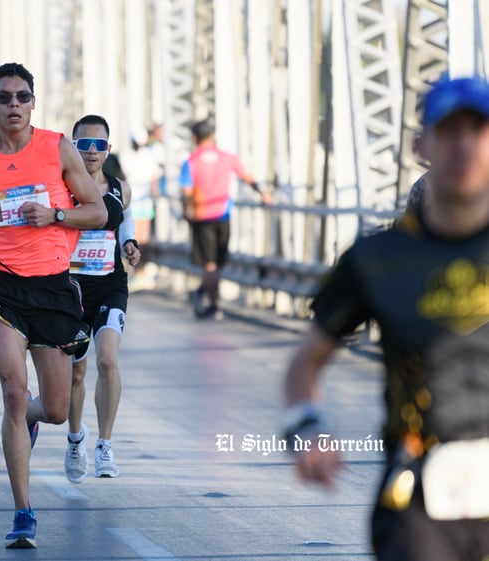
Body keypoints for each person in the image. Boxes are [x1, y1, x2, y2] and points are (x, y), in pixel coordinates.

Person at [281, 75, 489, 561]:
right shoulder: (377, 260)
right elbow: (305, 363)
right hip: (420, 495)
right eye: (449, 131)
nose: (464, 146)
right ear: (422, 145)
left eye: (478, 130)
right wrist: (305, 426)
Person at [0, 62, 106, 549]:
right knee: (13, 391)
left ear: (33, 103)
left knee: (57, 409)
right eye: (4, 97)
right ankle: (24, 512)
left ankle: (34, 421)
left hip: (54, 288)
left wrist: (55, 214)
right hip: (2, 287)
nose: (13, 105)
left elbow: (98, 211)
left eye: (22, 97)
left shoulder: (58, 146)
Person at [63, 115, 140, 484]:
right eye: (84, 145)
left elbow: (126, 221)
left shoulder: (120, 188)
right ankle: (76, 438)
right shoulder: (60, 189)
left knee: (107, 360)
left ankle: (105, 444)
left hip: (110, 284)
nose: (92, 152)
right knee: (77, 370)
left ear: (108, 149)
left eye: (99, 145)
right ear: (72, 146)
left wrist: (130, 244)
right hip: (71, 287)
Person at [179, 119, 270, 319]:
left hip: (202, 217)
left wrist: (187, 212)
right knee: (218, 262)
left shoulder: (191, 162)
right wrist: (262, 193)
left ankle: (212, 304)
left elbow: (186, 193)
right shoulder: (228, 158)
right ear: (212, 135)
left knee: (210, 264)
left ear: (195, 137)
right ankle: (204, 295)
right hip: (223, 215)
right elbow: (246, 176)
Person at [119, 128, 160, 290]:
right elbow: (154, 177)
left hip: (131, 201)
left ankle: (138, 271)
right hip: (142, 201)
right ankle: (140, 270)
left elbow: (122, 176)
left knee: (134, 237)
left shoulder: (126, 156)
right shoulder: (149, 156)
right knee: (141, 238)